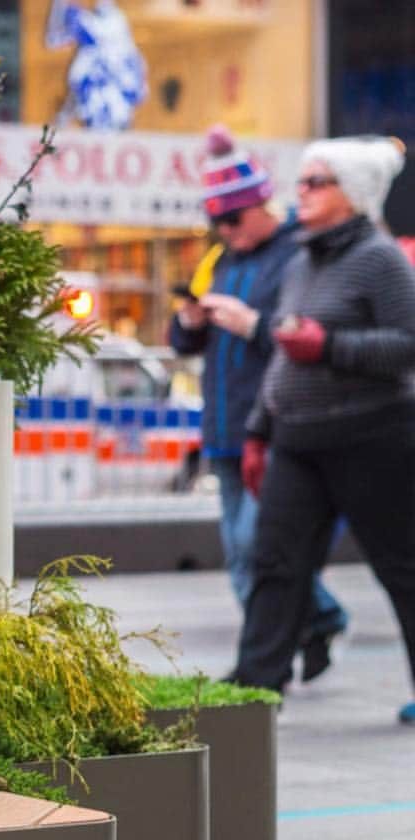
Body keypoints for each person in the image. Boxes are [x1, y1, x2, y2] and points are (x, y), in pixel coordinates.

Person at [229, 136, 415, 725]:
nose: (300, 193)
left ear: (353, 195)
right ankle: (253, 694)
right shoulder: (303, 260)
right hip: (297, 442)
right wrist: (259, 432)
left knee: (403, 569)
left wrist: (328, 344)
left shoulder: (380, 258)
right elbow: (285, 356)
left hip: (373, 440)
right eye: (302, 181)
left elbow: (409, 346)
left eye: (316, 183)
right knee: (275, 564)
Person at [171, 126, 348, 682]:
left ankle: (276, 650)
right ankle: (304, 629)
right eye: (216, 222)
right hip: (222, 426)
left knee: (258, 546)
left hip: (271, 424)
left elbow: (305, 335)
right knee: (243, 554)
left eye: (232, 220)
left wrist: (253, 325)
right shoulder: (222, 258)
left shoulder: (296, 254)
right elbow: (186, 344)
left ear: (258, 207)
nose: (224, 231)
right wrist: (189, 322)